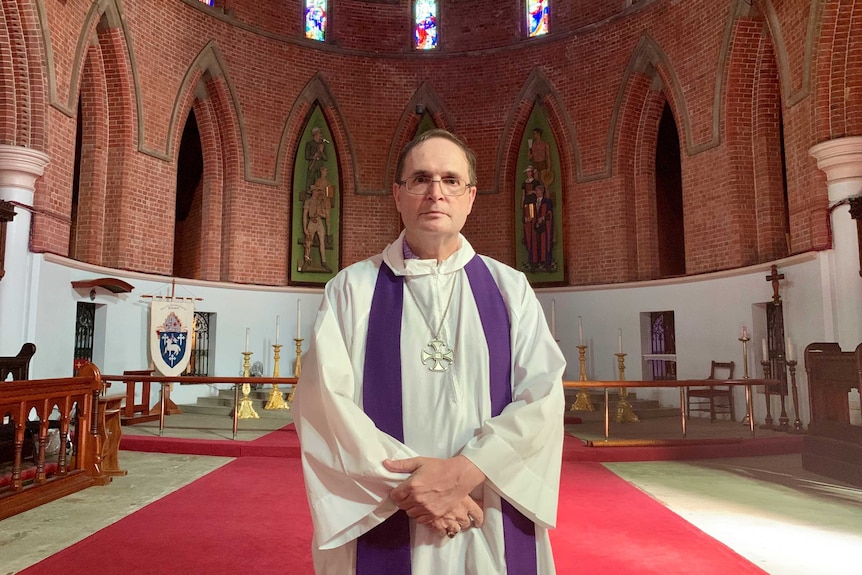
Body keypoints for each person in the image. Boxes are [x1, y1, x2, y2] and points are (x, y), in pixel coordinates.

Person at [294, 129, 565, 574]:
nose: (436, 192)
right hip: (387, 510)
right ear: (398, 195)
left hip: (486, 509)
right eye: (420, 179)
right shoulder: (352, 290)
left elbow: (543, 397)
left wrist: (465, 472)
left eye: (450, 180)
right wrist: (421, 492)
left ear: (470, 196)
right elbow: (324, 405)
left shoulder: (509, 288)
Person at [300, 184, 331, 272]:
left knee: (322, 242)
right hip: (311, 222)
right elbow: (305, 216)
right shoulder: (308, 201)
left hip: (319, 222)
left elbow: (325, 215)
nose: (317, 193)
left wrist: (319, 213)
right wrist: (305, 228)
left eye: (318, 191)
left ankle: (324, 261)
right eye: (316, 191)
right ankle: (307, 259)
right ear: (313, 192)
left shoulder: (320, 202)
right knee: (308, 241)